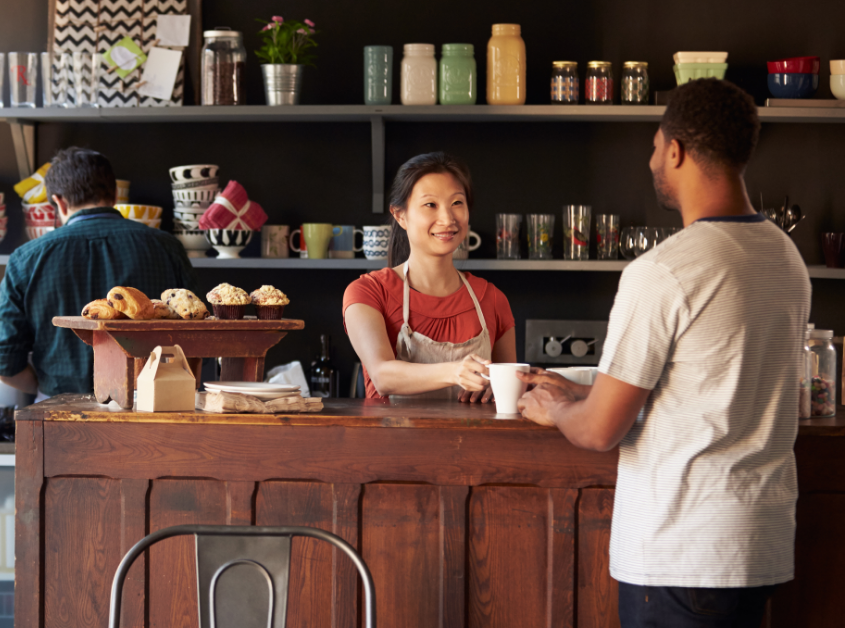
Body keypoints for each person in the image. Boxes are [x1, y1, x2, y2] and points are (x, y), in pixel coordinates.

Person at [517, 79, 810, 628]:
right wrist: (582, 389)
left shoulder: (665, 270)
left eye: (654, 146)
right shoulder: (785, 256)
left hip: (683, 552)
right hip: (760, 544)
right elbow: (709, 383)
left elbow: (600, 432)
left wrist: (555, 409)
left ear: (675, 150)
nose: (652, 159)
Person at [0, 147, 195, 397]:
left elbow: (5, 363)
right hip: (152, 408)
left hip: (61, 414)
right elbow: (196, 342)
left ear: (58, 202)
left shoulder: (26, 259)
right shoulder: (167, 247)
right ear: (115, 194)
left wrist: (50, 393)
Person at [343, 153, 516, 402]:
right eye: (430, 205)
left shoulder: (492, 299)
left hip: (473, 441)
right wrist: (455, 371)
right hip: (391, 440)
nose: (447, 219)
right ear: (400, 215)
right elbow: (382, 376)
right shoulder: (368, 293)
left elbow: (509, 391)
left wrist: (498, 388)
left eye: (457, 203)